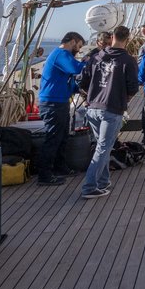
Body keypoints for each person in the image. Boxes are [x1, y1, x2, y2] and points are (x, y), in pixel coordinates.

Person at [79, 26, 139, 199]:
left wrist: (91, 95)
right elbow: (133, 86)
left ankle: (103, 181)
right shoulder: (128, 60)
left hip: (92, 108)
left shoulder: (95, 57)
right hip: (112, 109)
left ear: (112, 37)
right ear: (128, 38)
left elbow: (82, 81)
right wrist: (125, 98)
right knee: (104, 148)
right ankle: (89, 187)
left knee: (102, 147)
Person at [36, 32, 86, 185]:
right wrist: (88, 61)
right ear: (72, 41)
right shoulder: (61, 54)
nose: (78, 50)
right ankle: (44, 175)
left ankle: (60, 168)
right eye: (78, 46)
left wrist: (78, 89)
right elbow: (75, 69)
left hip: (60, 102)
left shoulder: (63, 55)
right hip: (52, 103)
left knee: (62, 137)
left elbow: (66, 79)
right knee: (53, 139)